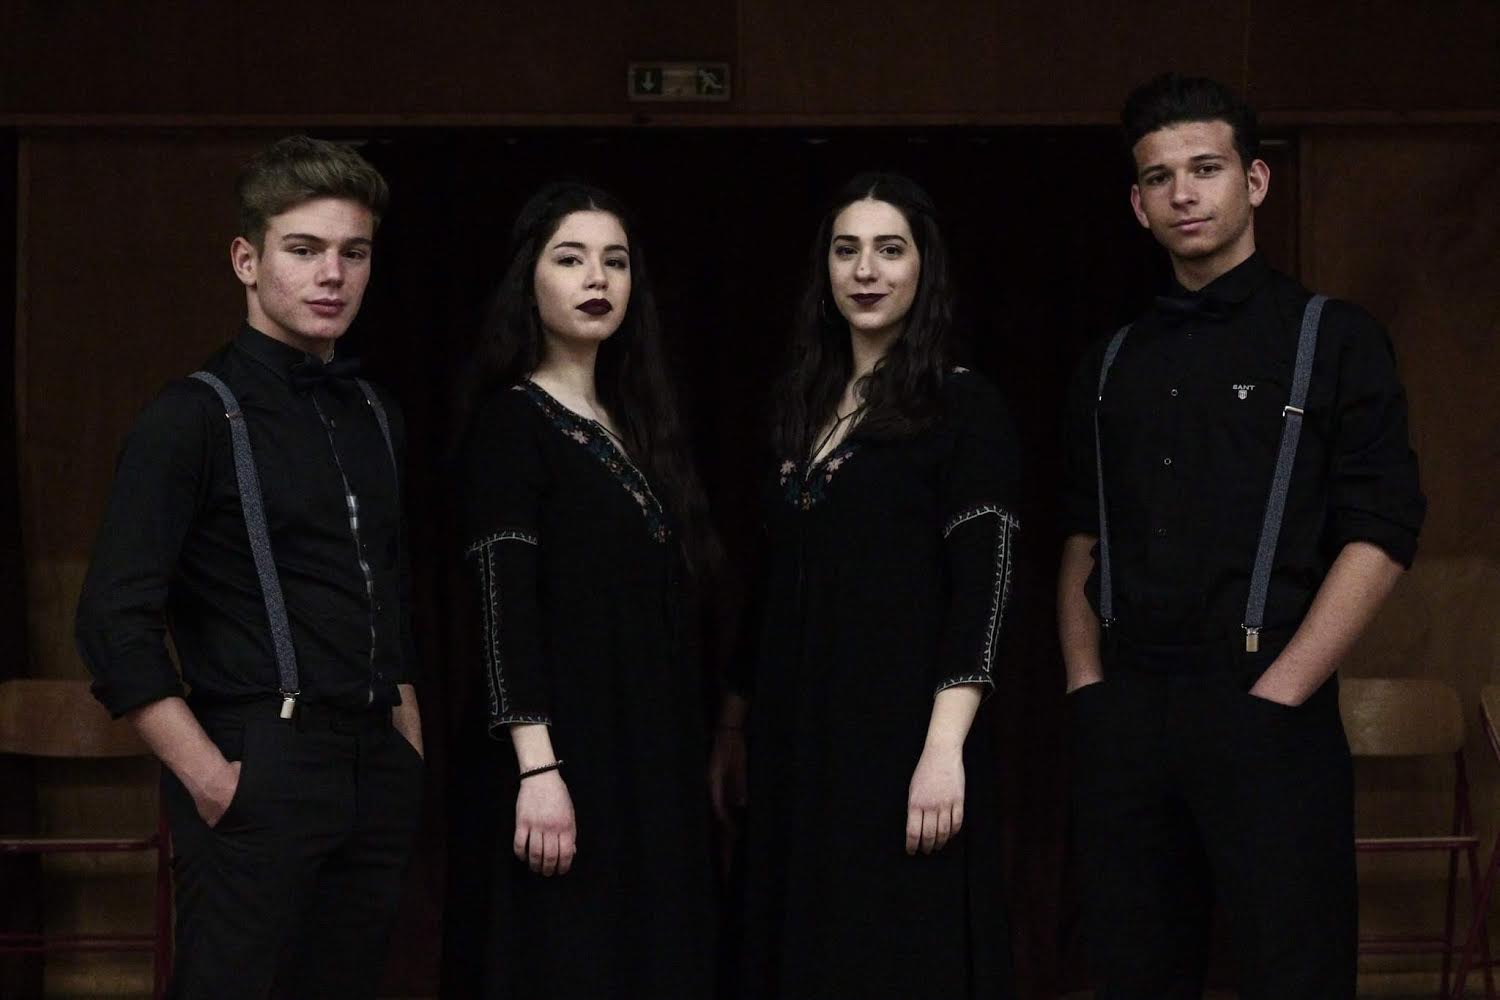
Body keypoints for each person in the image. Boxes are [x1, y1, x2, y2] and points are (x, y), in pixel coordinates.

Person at [1059, 73, 1426, 999]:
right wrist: (1088, 689)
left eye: (1206, 168)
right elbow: (1079, 537)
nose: (1184, 192)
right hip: (1132, 709)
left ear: (1253, 182)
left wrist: (1278, 698)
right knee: (1132, 972)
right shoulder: (1110, 362)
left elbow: (1380, 532)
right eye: (1159, 177)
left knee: (1293, 972)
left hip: (1268, 705)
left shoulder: (1334, 338)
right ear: (1136, 204)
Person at [75, 135, 424, 998]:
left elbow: (389, 589)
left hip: (373, 767)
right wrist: (211, 778)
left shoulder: (375, 412)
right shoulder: (191, 417)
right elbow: (111, 621)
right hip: (255, 762)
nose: (331, 274)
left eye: (353, 252)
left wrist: (406, 747)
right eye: (303, 250)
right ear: (246, 258)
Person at [712, 172, 1019, 999]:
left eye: (890, 249)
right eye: (847, 251)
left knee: (891, 945)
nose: (866, 270)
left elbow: (984, 586)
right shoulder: (803, 406)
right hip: (795, 731)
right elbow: (773, 580)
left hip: (903, 736)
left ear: (925, 269)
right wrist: (735, 725)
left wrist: (945, 747)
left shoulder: (961, 404)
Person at [459, 182, 717, 998]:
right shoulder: (513, 421)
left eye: (614, 261)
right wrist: (538, 768)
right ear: (528, 281)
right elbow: (505, 602)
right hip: (562, 752)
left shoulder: (634, 422)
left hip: (643, 749)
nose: (595, 278)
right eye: (570, 259)